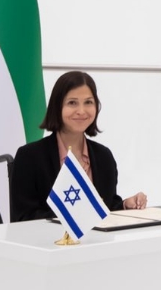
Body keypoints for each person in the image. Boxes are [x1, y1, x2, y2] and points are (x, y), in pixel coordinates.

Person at [10, 70, 147, 222]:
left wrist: (125, 205)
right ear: (57, 106)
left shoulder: (104, 156)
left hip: (96, 244)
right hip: (47, 243)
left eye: (88, 102)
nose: (81, 111)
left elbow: (106, 206)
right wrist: (76, 216)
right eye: (72, 103)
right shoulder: (29, 157)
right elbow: (23, 217)